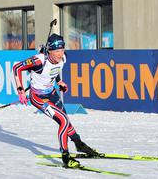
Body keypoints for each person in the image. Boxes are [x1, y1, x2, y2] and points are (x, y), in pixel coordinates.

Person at [13, 33, 99, 167]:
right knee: (63, 120)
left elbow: (55, 70)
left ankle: (79, 144)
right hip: (38, 98)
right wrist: (20, 89)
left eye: (62, 50)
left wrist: (59, 82)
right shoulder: (39, 60)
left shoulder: (63, 57)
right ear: (50, 50)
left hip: (52, 93)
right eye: (57, 51)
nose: (60, 54)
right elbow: (17, 67)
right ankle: (66, 157)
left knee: (65, 120)